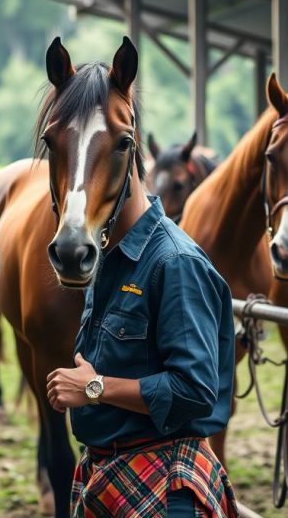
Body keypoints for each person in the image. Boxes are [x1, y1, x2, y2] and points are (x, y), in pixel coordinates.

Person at [46, 181, 238, 517]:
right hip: (109, 475)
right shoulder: (105, 253)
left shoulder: (176, 262)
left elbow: (194, 391)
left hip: (166, 486)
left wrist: (94, 388)